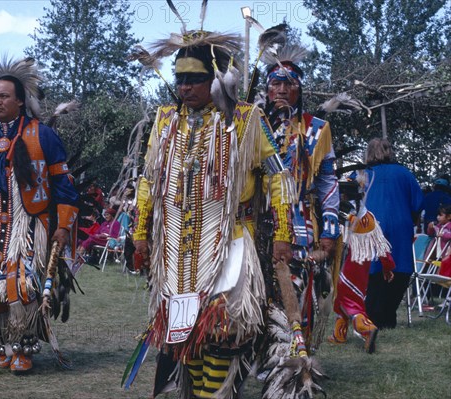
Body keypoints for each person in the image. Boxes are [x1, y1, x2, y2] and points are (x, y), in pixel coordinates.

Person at [122, 7, 331, 396]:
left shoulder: (247, 120)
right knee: (184, 330)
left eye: (195, 80)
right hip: (175, 247)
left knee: (223, 329)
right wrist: (140, 232)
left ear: (216, 79)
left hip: (230, 241)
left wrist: (283, 233)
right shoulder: (166, 121)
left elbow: (278, 177)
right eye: (180, 79)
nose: (185, 87)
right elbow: (149, 180)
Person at [0, 56, 79, 373]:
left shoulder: (42, 136)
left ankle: (24, 347)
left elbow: (63, 185)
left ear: (20, 100)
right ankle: (0, 345)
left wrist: (63, 227)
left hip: (29, 223)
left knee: (23, 288)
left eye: (4, 96)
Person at [259, 33, 340, 349]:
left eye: (288, 83)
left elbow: (327, 181)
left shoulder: (316, 128)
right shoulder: (254, 124)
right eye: (275, 83)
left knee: (294, 287)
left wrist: (331, 228)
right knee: (259, 289)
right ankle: (264, 354)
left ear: (299, 89)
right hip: (258, 219)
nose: (281, 89)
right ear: (266, 88)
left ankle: (294, 352)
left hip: (300, 220)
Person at [360, 138, 423, 329]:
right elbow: (418, 202)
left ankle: (373, 315)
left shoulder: (364, 174)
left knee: (373, 269)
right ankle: (387, 316)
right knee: (400, 268)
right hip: (400, 224)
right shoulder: (405, 173)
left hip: (370, 226)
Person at [329, 175, 395, 353]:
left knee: (349, 301)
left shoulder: (341, 214)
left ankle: (367, 329)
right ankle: (339, 335)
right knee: (344, 299)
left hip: (345, 263)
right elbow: (382, 246)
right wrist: (387, 268)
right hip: (362, 268)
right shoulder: (369, 216)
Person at [427, 205, 451, 277]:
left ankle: (440, 282)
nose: (438, 217)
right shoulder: (438, 225)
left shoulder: (449, 226)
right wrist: (430, 228)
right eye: (437, 215)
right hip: (438, 252)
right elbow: (430, 234)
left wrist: (443, 234)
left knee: (443, 270)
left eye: (440, 215)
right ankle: (435, 281)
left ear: (449, 217)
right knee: (437, 267)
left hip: (446, 253)